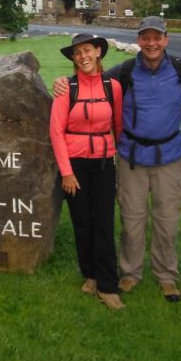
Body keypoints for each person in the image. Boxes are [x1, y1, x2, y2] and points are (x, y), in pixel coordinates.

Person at [53, 17, 181, 302]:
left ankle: (166, 277)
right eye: (145, 37)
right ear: (139, 40)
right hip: (131, 158)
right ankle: (129, 273)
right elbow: (92, 82)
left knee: (167, 219)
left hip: (168, 156)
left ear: (166, 39)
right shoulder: (123, 72)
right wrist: (62, 83)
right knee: (131, 219)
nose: (151, 43)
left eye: (157, 37)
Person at [50, 34, 124, 310]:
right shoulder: (65, 89)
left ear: (98, 52)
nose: (83, 56)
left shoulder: (112, 87)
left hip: (104, 162)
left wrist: (115, 155)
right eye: (78, 52)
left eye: (88, 50)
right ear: (73, 58)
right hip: (75, 165)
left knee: (104, 222)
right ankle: (89, 275)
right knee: (83, 222)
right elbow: (56, 131)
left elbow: (118, 125)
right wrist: (66, 172)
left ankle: (107, 285)